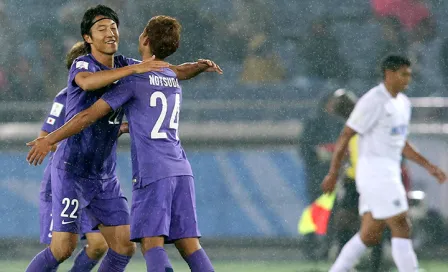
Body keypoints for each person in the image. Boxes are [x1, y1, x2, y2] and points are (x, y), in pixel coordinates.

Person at [25, 5, 221, 272]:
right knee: (62, 249)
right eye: (102, 29)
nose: (110, 33)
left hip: (104, 176)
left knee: (123, 247)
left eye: (114, 27)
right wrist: (48, 140)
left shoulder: (128, 66)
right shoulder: (84, 63)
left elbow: (169, 69)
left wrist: (197, 67)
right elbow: (87, 84)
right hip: (72, 170)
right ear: (87, 38)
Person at [321, 55, 446, 272]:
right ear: (388, 74)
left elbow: (400, 142)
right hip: (376, 172)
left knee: (370, 233)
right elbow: (345, 136)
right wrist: (332, 174)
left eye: (409, 74)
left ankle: (338, 270)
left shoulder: (404, 104)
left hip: (388, 170)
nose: (408, 78)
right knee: (401, 224)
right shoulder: (372, 101)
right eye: (403, 74)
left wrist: (428, 166)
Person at [38, 41, 113, 272]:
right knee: (60, 249)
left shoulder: (105, 98)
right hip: (64, 180)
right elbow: (45, 136)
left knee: (100, 244)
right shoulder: (64, 98)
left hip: (89, 182)